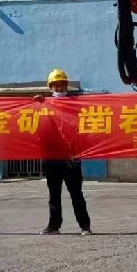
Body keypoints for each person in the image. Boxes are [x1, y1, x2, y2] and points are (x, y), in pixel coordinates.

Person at [35, 69, 92, 235]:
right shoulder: (43, 104)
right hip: (51, 157)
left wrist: (77, 153)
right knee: (54, 194)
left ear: (66, 86)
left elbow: (81, 130)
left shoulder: (75, 104)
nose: (59, 88)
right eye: (56, 85)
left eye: (62, 85)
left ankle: (85, 226)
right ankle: (54, 226)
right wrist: (36, 103)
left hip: (70, 158)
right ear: (50, 87)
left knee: (76, 194)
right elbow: (34, 123)